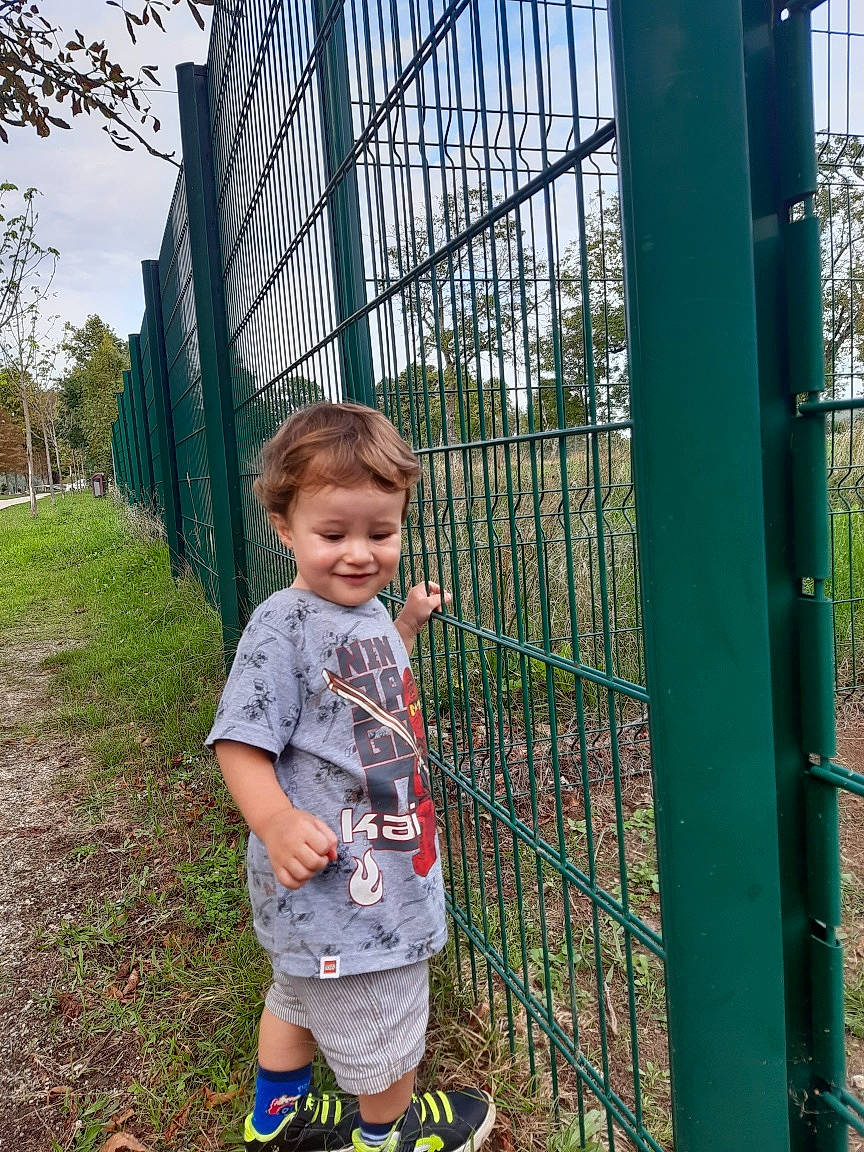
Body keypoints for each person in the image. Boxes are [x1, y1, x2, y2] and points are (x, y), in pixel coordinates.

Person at [206, 402, 495, 1152]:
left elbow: (351, 680)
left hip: (354, 876)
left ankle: (275, 1123)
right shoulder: (282, 624)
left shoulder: (359, 609)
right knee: (385, 1032)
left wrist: (404, 626)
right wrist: (273, 822)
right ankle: (383, 1136)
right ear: (285, 527)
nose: (359, 553)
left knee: (297, 998)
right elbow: (238, 741)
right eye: (333, 535)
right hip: (347, 891)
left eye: (382, 532)